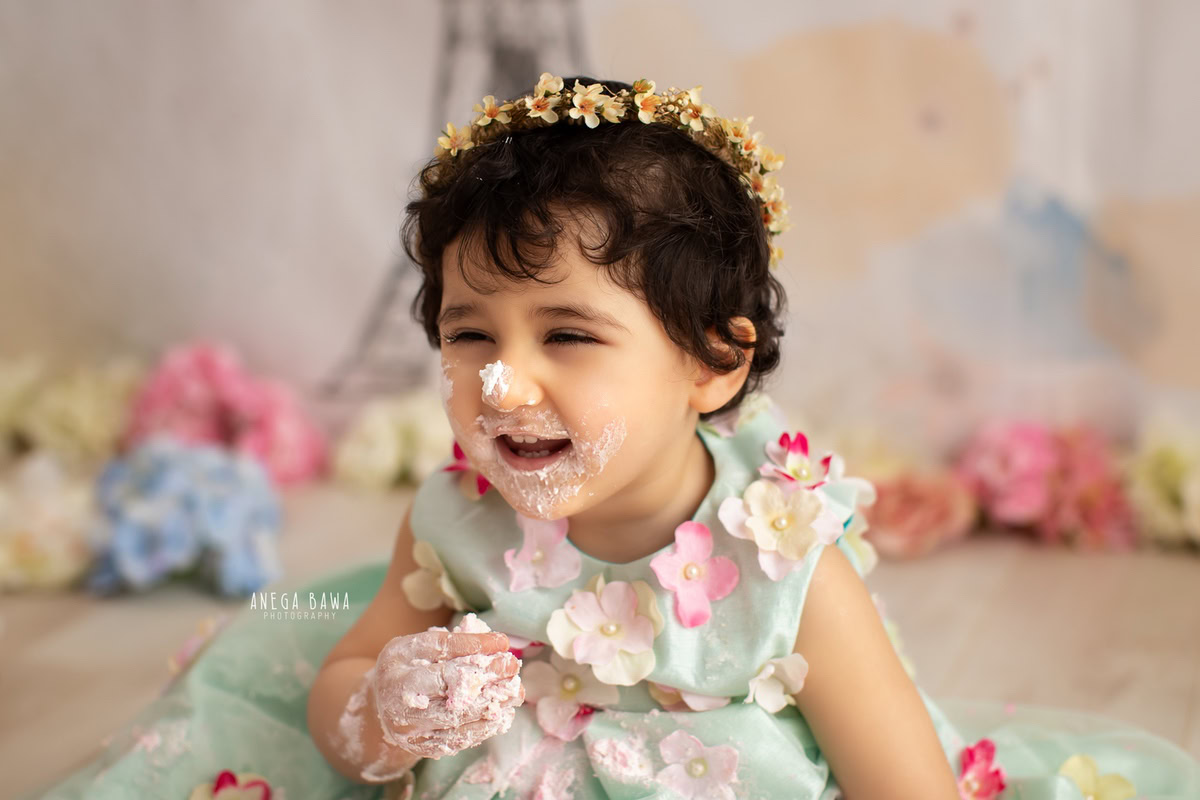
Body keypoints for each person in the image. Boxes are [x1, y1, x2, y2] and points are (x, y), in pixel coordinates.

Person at [32, 75, 1198, 800]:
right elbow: (341, 699)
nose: (502, 377)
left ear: (713, 360)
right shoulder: (457, 523)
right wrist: (380, 712)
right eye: (468, 330)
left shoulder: (782, 557)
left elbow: (907, 788)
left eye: (569, 335)